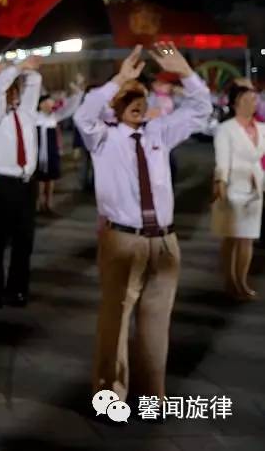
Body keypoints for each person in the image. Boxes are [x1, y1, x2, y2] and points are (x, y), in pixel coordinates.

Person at [75, 43, 211, 402]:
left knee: (156, 325)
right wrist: (120, 78)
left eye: (142, 96)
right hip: (123, 240)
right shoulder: (102, 137)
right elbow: (83, 115)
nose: (137, 102)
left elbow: (201, 110)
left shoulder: (159, 132)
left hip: (164, 241)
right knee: (115, 322)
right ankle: (110, 396)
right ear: (115, 102)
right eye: (128, 96)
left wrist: (185, 73)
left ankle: (153, 395)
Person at [0, 57, 43, 308]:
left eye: (15, 90)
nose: (12, 95)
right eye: (10, 91)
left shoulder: (27, 113)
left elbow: (36, 81)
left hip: (28, 184)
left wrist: (25, 68)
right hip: (5, 185)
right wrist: (14, 68)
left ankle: (17, 290)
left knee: (24, 242)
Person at [212, 83, 265, 300]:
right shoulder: (226, 130)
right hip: (233, 188)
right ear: (235, 104)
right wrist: (221, 185)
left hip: (255, 188)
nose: (252, 104)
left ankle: (242, 282)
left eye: (254, 100)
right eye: (246, 100)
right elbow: (222, 161)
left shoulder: (262, 129)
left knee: (247, 239)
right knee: (231, 238)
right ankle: (230, 280)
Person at [35, 77, 83, 213]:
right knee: (39, 178)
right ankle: (38, 202)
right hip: (38, 151)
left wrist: (77, 91)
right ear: (41, 104)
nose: (51, 104)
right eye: (48, 102)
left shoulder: (54, 117)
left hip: (51, 150)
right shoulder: (35, 117)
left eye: (51, 102)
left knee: (51, 177)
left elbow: (71, 106)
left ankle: (49, 203)